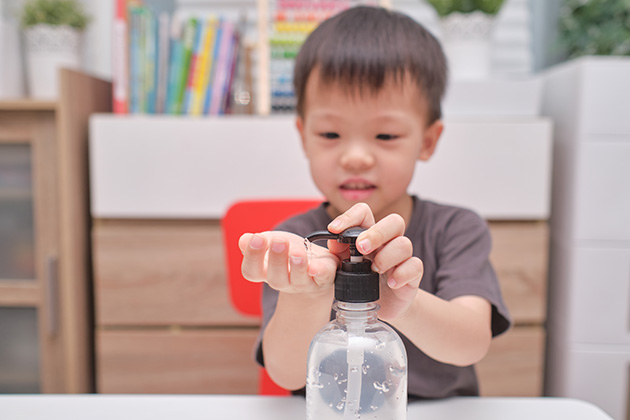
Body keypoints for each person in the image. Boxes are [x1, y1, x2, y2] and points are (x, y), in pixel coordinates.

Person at [238, 5, 511, 398]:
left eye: (385, 136)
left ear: (428, 141)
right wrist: (308, 295)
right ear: (303, 136)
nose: (356, 157)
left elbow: (472, 342)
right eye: (330, 134)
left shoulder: (456, 229)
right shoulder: (298, 242)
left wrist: (404, 303)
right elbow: (286, 374)